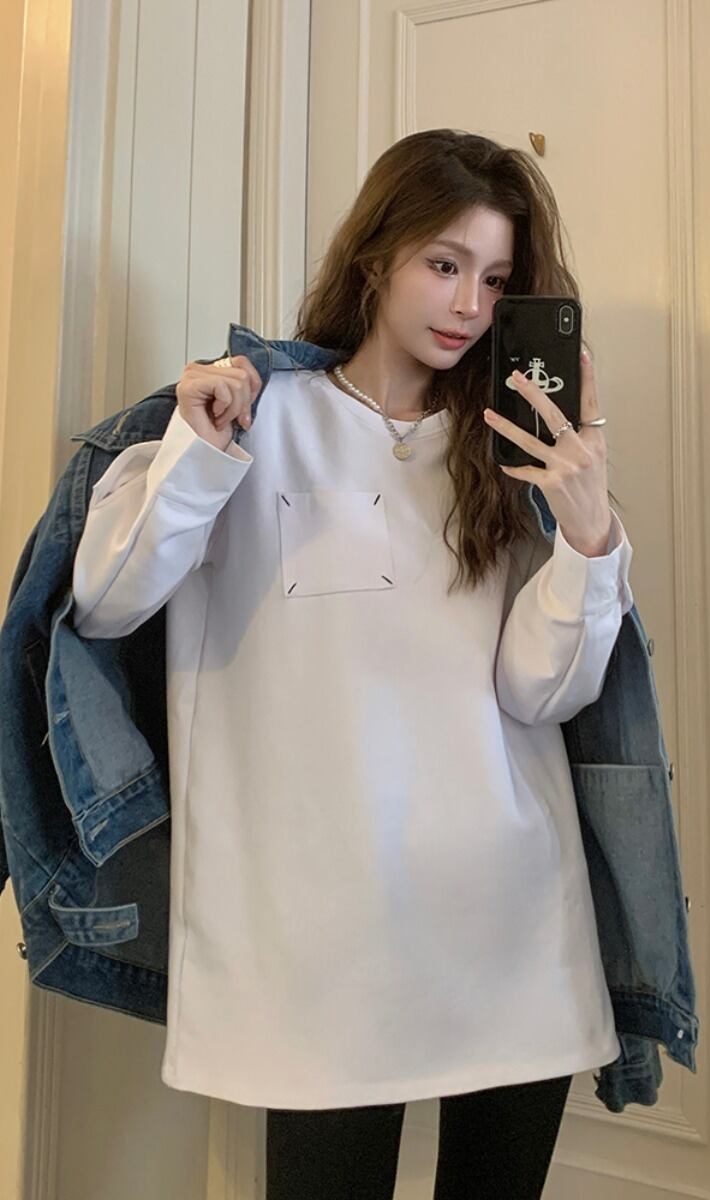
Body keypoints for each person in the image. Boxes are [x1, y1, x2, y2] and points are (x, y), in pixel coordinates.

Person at [70, 129, 634, 1199]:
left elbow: (538, 692)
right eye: (444, 264)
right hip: (322, 946)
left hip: (513, 921)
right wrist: (195, 450)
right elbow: (106, 602)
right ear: (376, 254)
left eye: (497, 280)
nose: (469, 306)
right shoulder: (255, 416)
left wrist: (588, 534)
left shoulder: (506, 456)